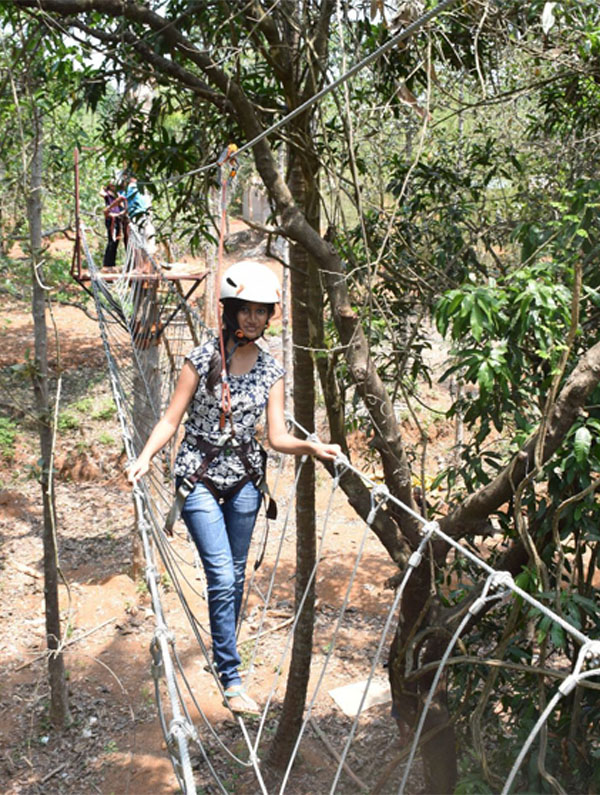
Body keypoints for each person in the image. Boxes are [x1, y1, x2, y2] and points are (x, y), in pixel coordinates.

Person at [128, 260, 341, 714]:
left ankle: (223, 648)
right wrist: (145, 458)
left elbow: (277, 436)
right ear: (230, 309)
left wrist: (310, 447)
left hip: (246, 480)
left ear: (270, 317)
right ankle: (231, 674)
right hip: (198, 478)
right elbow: (171, 417)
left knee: (236, 577)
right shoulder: (201, 359)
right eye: (246, 308)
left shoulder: (271, 371)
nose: (253, 318)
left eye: (262, 310)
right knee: (223, 576)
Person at [100, 182, 126, 270]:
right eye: (112, 185)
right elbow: (102, 192)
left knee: (116, 241)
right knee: (112, 241)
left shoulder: (118, 194)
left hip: (118, 218)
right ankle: (108, 264)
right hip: (111, 219)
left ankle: (111, 263)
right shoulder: (107, 194)